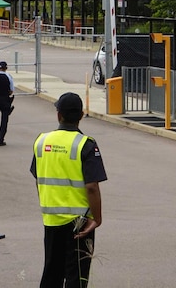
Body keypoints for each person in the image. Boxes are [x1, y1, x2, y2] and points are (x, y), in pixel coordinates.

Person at [30, 92, 106, 288]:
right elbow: (91, 186)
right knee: (76, 276)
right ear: (81, 116)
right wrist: (97, 219)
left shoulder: (41, 141)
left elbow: (39, 178)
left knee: (51, 273)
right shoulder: (86, 145)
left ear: (58, 115)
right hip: (79, 223)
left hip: (51, 219)